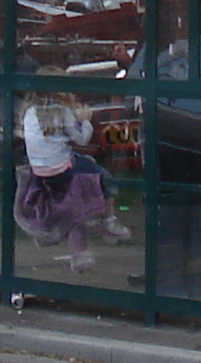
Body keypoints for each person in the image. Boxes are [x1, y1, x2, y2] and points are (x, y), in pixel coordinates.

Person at [14, 93, 128, 273]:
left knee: (82, 172)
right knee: (103, 176)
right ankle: (109, 221)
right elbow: (82, 138)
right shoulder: (62, 112)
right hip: (62, 168)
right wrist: (86, 120)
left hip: (39, 170)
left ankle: (50, 231)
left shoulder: (29, 112)